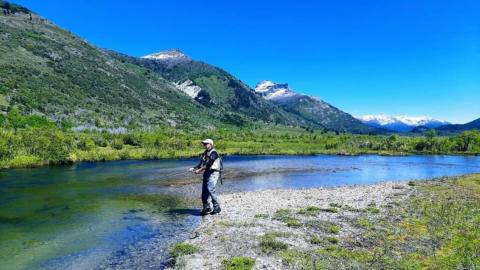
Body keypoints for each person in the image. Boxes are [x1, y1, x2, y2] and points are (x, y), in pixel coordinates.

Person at [189, 139, 222, 215]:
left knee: (210, 189)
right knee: (204, 192)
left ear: (210, 144)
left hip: (213, 173)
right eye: (204, 144)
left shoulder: (214, 153)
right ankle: (206, 207)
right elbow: (201, 164)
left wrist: (199, 171)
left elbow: (209, 164)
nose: (204, 145)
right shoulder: (205, 153)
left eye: (206, 144)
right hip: (206, 172)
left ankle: (217, 207)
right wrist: (194, 168)